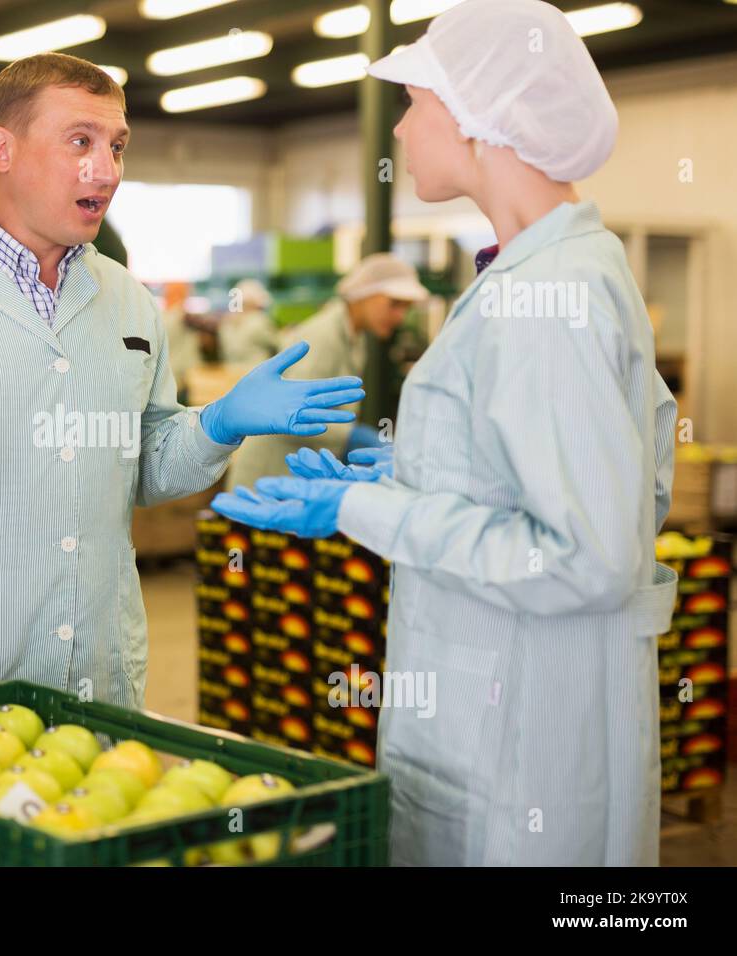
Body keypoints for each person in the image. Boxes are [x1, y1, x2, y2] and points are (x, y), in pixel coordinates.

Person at [213, 0, 678, 867]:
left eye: (418, 99)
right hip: (508, 705)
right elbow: (616, 482)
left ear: (479, 121)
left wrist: (372, 509)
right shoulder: (548, 274)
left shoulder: (554, 300)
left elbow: (587, 554)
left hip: (522, 748)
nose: (400, 124)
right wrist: (425, 471)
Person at [0, 53, 363, 723]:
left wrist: (215, 425)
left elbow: (145, 468)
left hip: (90, 680)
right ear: (2, 148)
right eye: (80, 141)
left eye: (116, 146)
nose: (105, 170)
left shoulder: (129, 302)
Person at [225, 253, 428, 488]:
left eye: (406, 308)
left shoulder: (355, 336)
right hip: (267, 476)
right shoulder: (323, 337)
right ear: (363, 294)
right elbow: (291, 412)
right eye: (394, 304)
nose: (400, 316)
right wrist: (351, 436)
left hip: (295, 473)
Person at [216, 278, 277, 366]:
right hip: (257, 372)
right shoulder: (258, 320)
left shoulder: (226, 322)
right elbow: (276, 344)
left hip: (231, 373)